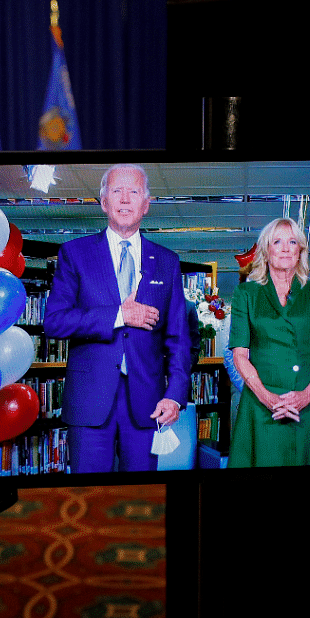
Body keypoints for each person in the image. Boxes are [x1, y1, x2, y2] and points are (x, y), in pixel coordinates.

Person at [43, 164, 192, 473]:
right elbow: (55, 321)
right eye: (117, 191)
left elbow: (178, 339)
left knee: (140, 497)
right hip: (89, 401)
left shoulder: (167, 262)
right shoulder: (75, 254)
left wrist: (175, 396)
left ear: (146, 204)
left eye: (134, 191)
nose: (125, 199)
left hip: (147, 404)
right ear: (104, 202)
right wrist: (119, 315)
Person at [227, 218, 310, 467]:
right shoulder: (246, 294)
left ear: (300, 251)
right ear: (266, 250)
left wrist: (306, 395)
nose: (286, 248)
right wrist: (268, 398)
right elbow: (240, 355)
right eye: (277, 241)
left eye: (292, 242)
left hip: (309, 403)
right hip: (261, 402)